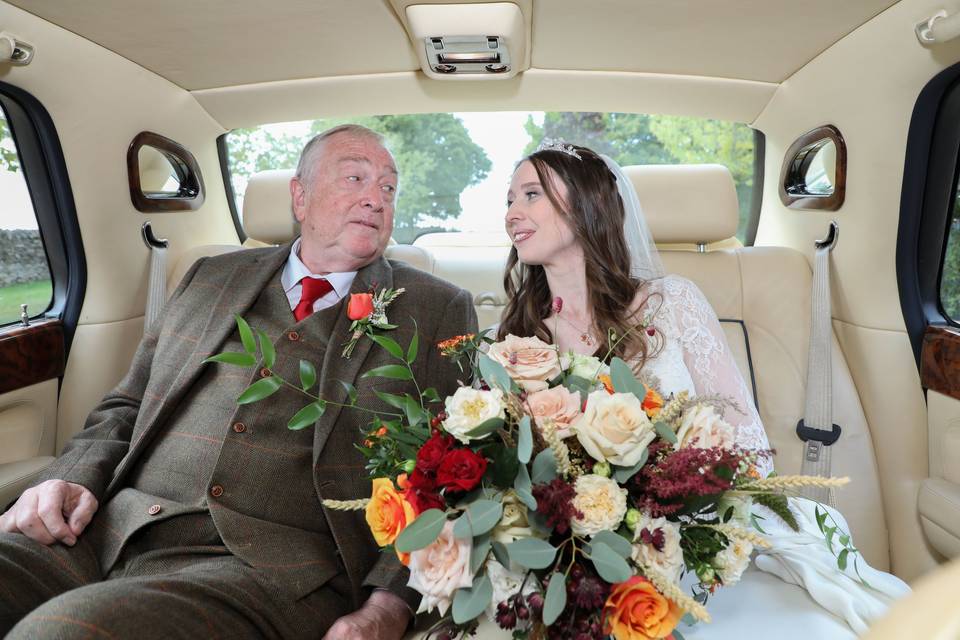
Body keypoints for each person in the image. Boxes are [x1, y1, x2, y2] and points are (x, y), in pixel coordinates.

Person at [0, 124, 478, 639]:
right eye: (355, 178)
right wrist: (67, 478)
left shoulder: (435, 308)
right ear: (300, 195)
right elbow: (127, 404)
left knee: (62, 633)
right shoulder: (211, 275)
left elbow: (451, 476)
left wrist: (392, 604)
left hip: (273, 573)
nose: (376, 199)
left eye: (388, 187)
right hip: (105, 530)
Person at [496, 140, 908, 638]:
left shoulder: (673, 303)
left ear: (586, 205)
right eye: (508, 200)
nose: (512, 213)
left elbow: (748, 447)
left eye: (530, 194)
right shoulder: (519, 339)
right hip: (578, 556)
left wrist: (679, 515)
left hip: (700, 534)